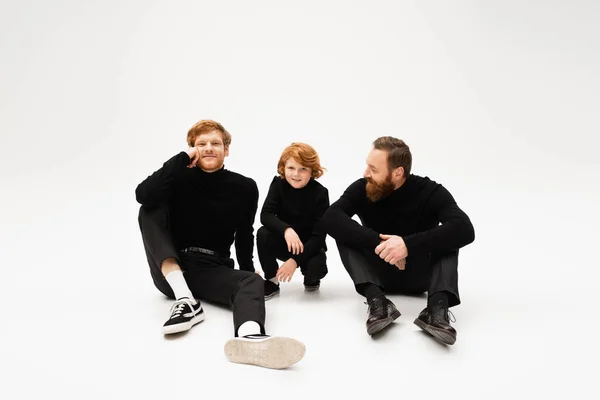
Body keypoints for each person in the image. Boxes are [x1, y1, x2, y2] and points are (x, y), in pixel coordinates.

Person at [135, 119, 305, 369]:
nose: (208, 148)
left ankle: (250, 337)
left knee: (252, 281)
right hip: (172, 269)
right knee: (149, 209)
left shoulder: (244, 187)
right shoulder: (177, 177)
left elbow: (245, 233)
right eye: (200, 144)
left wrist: (247, 270)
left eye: (215, 143)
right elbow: (143, 194)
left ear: (227, 149)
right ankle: (185, 300)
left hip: (211, 269)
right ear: (192, 149)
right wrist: (182, 158)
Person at [320, 136, 475, 345]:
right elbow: (330, 218)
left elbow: (465, 229)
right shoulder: (363, 187)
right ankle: (379, 303)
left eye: (373, 169)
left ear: (398, 172)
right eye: (367, 166)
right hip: (378, 276)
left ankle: (437, 309)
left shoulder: (430, 191)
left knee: (449, 236)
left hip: (420, 276)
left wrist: (407, 246)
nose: (366, 173)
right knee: (344, 231)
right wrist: (381, 244)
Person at [257, 143, 329, 300]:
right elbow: (266, 215)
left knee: (316, 268)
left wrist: (294, 261)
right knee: (263, 233)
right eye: (291, 168)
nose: (296, 174)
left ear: (312, 171)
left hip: (309, 246)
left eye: (303, 169)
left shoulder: (320, 193)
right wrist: (286, 230)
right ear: (283, 168)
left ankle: (310, 277)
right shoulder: (278, 184)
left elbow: (319, 236)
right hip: (286, 242)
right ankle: (271, 281)